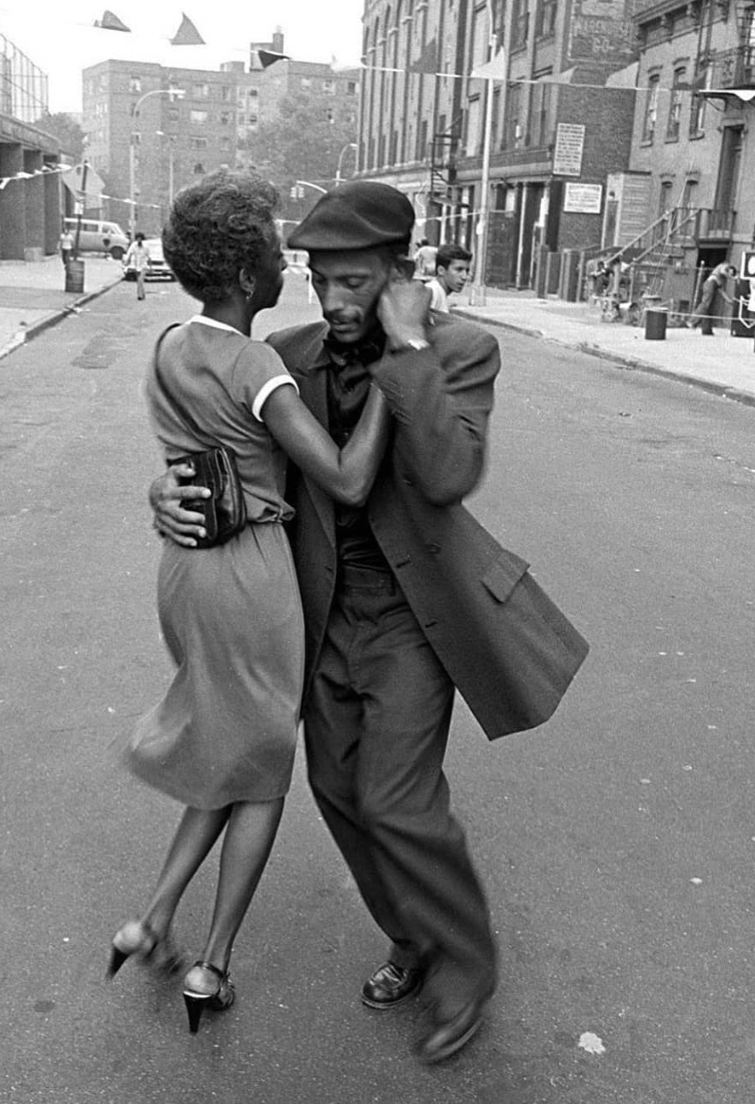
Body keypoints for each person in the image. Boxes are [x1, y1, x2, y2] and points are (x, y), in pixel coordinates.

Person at [152, 181, 588, 1063]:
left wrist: (410, 346)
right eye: (321, 281)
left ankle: (465, 969)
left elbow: (447, 473)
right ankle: (412, 934)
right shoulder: (283, 352)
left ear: (400, 274)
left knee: (397, 795)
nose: (335, 301)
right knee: (339, 794)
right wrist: (164, 493)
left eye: (356, 284)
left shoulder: (462, 350)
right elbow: (223, 460)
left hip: (412, 617)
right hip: (309, 614)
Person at [108, 171, 390, 1037]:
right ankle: (213, 961)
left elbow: (190, 452)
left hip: (184, 571)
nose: (286, 265)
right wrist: (394, 379)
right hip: (252, 578)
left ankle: (151, 919)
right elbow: (342, 479)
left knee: (229, 749)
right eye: (273, 252)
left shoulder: (167, 345)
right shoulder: (255, 362)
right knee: (262, 773)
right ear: (241, 277)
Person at [692, 261, 738, 335]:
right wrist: (733, 278)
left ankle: (706, 330)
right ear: (730, 269)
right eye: (730, 273)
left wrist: (729, 301)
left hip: (711, 285)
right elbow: (722, 271)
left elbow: (722, 291)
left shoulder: (722, 279)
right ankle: (692, 321)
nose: (729, 275)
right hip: (710, 284)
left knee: (707, 308)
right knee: (705, 304)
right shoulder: (725, 265)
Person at [428, 243, 472, 312]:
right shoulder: (433, 292)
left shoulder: (439, 292)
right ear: (441, 270)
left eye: (467, 271)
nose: (464, 277)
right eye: (459, 270)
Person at [123, 232, 149, 301]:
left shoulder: (146, 246)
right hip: (136, 265)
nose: (139, 241)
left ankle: (139, 295)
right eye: (138, 239)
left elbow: (148, 256)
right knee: (139, 281)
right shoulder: (134, 245)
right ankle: (142, 294)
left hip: (144, 265)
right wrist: (127, 262)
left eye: (140, 239)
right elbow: (130, 253)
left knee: (140, 280)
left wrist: (151, 267)